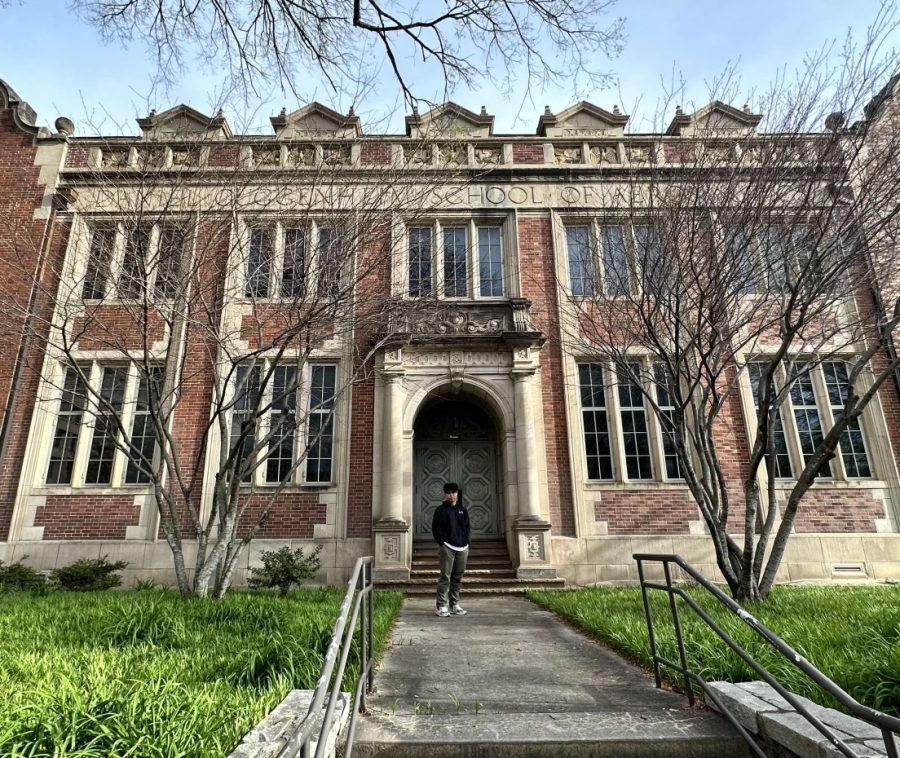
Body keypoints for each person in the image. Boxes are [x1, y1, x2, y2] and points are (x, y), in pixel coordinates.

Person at [431, 482, 470, 617]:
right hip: (447, 547)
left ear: (457, 494)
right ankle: (441, 605)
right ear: (445, 494)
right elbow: (436, 530)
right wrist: (442, 543)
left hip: (463, 547)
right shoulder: (440, 511)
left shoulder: (463, 510)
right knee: (445, 576)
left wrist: (467, 542)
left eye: (454, 493)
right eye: (448, 493)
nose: (451, 495)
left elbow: (467, 528)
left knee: (457, 577)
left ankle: (454, 604)